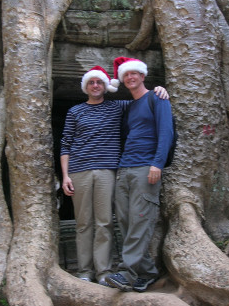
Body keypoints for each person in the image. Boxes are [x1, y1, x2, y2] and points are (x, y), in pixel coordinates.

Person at [60, 65, 168, 286]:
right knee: (84, 223)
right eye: (91, 82)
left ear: (106, 86)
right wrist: (64, 176)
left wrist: (160, 90)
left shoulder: (118, 107)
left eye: (100, 82)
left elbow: (144, 101)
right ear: (85, 87)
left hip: (110, 170)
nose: (96, 85)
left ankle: (104, 271)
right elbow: (65, 144)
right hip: (80, 171)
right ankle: (84, 270)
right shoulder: (75, 112)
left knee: (105, 222)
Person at [105, 57, 174, 293]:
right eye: (126, 75)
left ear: (143, 76)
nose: (130, 78)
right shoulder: (129, 106)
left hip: (147, 169)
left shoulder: (158, 98)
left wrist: (158, 163)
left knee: (141, 219)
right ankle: (147, 273)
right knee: (125, 223)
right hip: (124, 170)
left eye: (135, 74)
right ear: (122, 80)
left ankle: (126, 273)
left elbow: (166, 131)